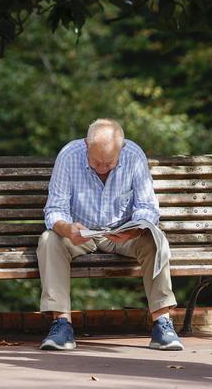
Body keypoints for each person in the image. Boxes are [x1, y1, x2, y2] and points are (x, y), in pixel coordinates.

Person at [36, 118, 183, 351]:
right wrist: (68, 229)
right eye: (96, 162)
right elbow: (55, 210)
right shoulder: (68, 156)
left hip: (123, 234)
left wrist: (134, 229)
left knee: (156, 239)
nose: (102, 167)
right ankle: (61, 324)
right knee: (49, 240)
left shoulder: (134, 155)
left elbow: (148, 207)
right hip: (81, 235)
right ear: (86, 145)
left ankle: (162, 323)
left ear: (121, 149)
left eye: (109, 163)